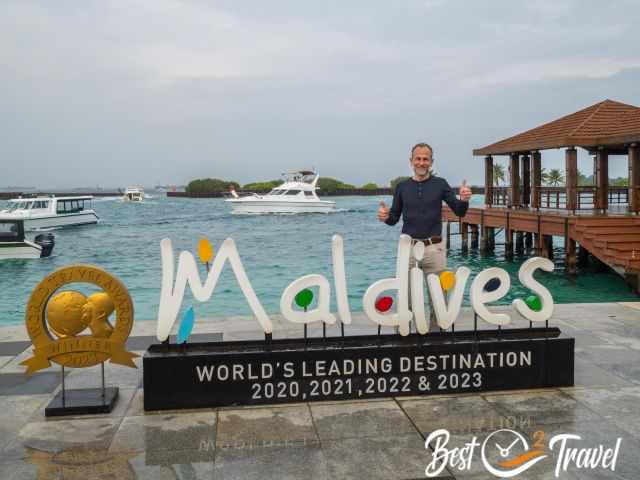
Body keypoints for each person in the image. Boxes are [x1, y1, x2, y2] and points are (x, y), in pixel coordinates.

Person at [377, 142, 472, 330]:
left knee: (439, 301)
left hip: (434, 248)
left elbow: (459, 212)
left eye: (425, 159)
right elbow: (394, 218)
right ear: (411, 161)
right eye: (418, 159)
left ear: (431, 162)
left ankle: (438, 340)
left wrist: (464, 199)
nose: (421, 162)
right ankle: (403, 337)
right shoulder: (402, 187)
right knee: (405, 299)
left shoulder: (440, 184)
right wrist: (385, 217)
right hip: (408, 249)